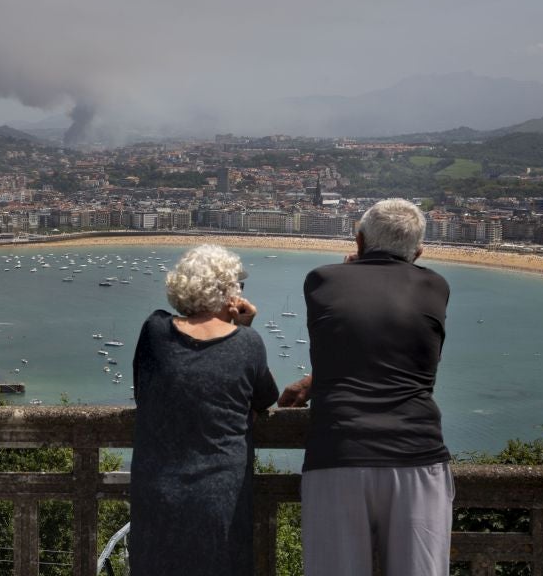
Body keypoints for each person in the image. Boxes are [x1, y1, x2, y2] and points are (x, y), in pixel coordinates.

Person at [278, 198, 454, 576]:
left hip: (338, 450)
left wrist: (312, 381)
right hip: (416, 452)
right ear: (419, 252)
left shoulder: (322, 280)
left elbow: (342, 341)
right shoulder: (435, 286)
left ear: (358, 241)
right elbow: (415, 359)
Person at [130, 244, 279, 576]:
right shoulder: (247, 343)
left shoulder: (155, 331)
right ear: (230, 295)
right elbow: (266, 396)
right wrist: (245, 327)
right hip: (221, 494)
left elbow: (144, 390)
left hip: (157, 491)